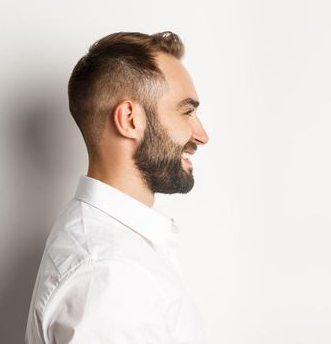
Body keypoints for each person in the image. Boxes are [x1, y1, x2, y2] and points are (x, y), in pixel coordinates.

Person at [24, 31, 210, 344]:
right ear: (129, 119)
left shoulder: (114, 251)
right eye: (187, 111)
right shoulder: (109, 274)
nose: (202, 134)